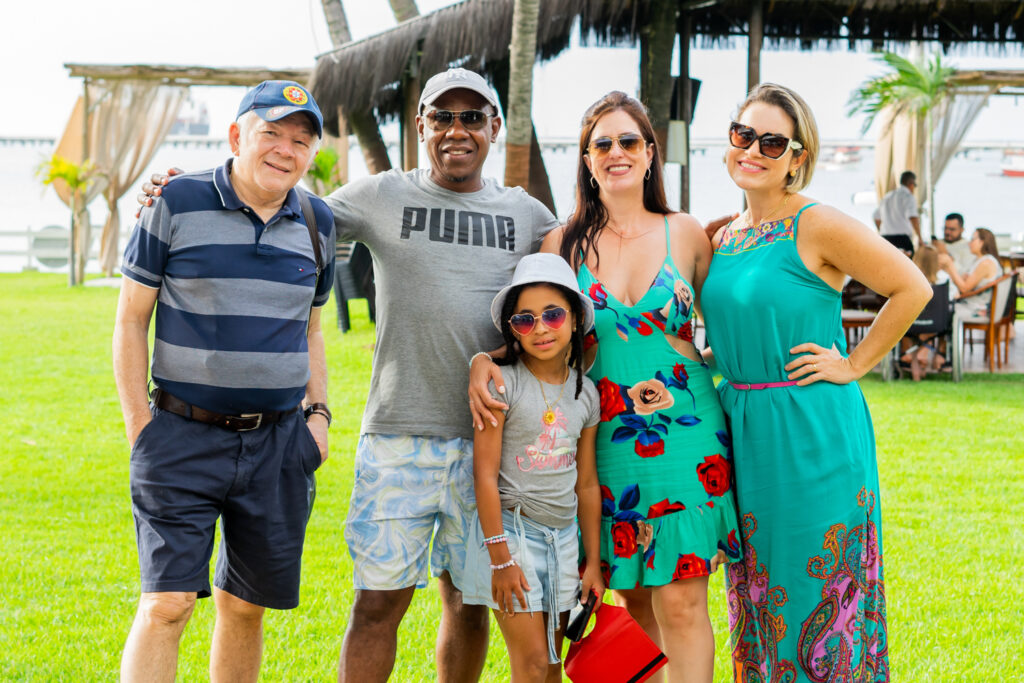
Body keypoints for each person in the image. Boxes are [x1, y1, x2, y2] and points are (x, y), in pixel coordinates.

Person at [142, 67, 562, 682]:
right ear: (420, 125)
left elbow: (564, 299)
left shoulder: (525, 213)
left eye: (473, 117)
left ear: (495, 127)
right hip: (397, 437)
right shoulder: (380, 195)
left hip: (490, 444)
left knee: (467, 604)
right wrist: (186, 187)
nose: (457, 130)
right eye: (442, 117)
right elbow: (275, 197)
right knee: (377, 607)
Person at [472, 92, 741, 683]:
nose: (616, 152)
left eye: (628, 142)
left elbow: (729, 331)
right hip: (603, 441)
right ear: (588, 161)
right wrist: (481, 362)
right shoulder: (560, 245)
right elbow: (536, 332)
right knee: (633, 601)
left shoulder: (689, 233)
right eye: (602, 144)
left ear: (650, 154)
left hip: (688, 441)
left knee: (682, 600)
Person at [701, 83, 931, 681]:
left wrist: (855, 363)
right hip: (743, 433)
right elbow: (727, 330)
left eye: (772, 141)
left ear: (798, 157)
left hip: (812, 429)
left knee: (818, 587)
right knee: (757, 592)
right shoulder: (722, 236)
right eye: (743, 134)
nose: (753, 149)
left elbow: (912, 288)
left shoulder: (816, 223)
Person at [114, 80, 335, 682]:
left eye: (300, 140)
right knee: (167, 605)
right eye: (271, 133)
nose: (285, 150)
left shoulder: (318, 220)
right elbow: (131, 319)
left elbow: (312, 331)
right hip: (180, 438)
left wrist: (318, 418)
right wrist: (142, 429)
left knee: (245, 608)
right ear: (238, 134)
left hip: (277, 444)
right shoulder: (176, 202)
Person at [462, 253, 604, 682]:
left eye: (553, 315)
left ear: (576, 319)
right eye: (524, 320)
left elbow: (587, 484)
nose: (540, 328)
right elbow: (484, 476)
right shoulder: (502, 384)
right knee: (531, 664)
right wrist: (501, 559)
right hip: (513, 536)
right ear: (511, 329)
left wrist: (592, 561)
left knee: (554, 664)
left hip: (563, 540)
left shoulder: (587, 393)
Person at [899, 245, 946, 380]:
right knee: (947, 317)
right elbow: (952, 299)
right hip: (936, 325)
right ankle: (925, 350)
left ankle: (913, 352)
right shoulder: (944, 279)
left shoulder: (907, 279)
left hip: (911, 324)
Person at [939, 227, 1004, 319]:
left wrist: (950, 265)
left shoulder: (986, 263)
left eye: (973, 239)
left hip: (977, 309)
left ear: (982, 242)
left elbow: (964, 288)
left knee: (941, 311)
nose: (969, 243)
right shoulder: (978, 260)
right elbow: (963, 281)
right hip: (971, 304)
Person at [873, 170, 921, 255]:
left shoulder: (887, 196)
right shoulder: (908, 197)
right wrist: (920, 238)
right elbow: (913, 218)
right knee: (906, 266)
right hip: (902, 240)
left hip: (885, 239)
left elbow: (876, 217)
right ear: (911, 184)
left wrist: (882, 230)